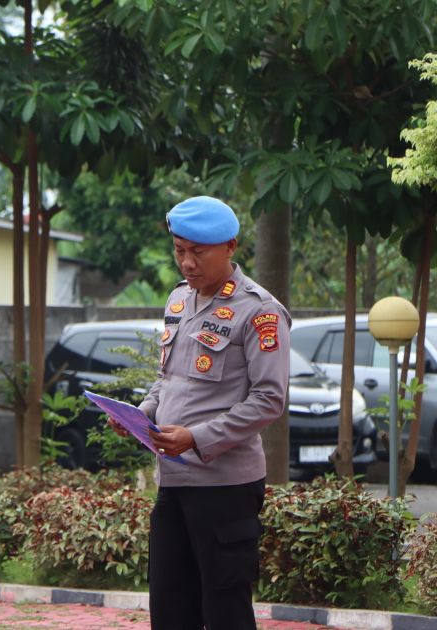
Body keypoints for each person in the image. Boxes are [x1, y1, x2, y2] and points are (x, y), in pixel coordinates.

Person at [109, 196, 290, 630]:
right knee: (170, 606)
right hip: (173, 480)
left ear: (230, 247)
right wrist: (140, 414)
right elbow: (167, 379)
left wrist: (197, 437)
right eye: (179, 250)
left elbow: (269, 398)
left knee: (225, 608)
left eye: (198, 252)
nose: (187, 263)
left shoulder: (259, 311)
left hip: (225, 485)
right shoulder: (178, 302)